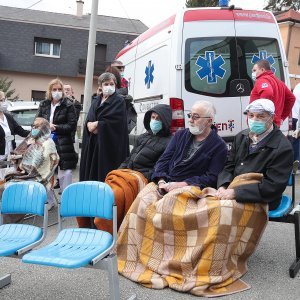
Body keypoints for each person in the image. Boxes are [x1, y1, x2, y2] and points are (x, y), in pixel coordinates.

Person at [92, 104, 172, 233]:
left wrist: (137, 174)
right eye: (153, 117)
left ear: (165, 121)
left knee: (116, 195)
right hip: (127, 174)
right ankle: (98, 229)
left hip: (141, 178)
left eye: (158, 119)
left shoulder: (169, 142)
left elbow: (159, 169)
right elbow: (129, 159)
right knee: (102, 190)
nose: (154, 121)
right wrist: (118, 172)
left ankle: (109, 230)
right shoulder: (144, 137)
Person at [216, 98, 293, 211]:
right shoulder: (241, 137)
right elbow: (229, 166)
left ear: (271, 118)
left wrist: (236, 193)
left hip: (262, 198)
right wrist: (222, 186)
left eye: (260, 116)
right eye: (251, 115)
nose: (254, 119)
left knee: (221, 212)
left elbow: (273, 186)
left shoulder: (282, 147)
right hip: (233, 190)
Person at [153, 100, 228, 192]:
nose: (190, 120)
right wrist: (161, 181)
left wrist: (183, 184)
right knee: (144, 199)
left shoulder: (219, 146)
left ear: (209, 121)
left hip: (191, 187)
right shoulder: (180, 135)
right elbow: (163, 160)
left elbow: (212, 177)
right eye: (190, 115)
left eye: (196, 117)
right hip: (166, 182)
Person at [1, 117, 59, 223]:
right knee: (3, 189)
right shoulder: (34, 139)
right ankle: (7, 217)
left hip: (37, 180)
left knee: (10, 191)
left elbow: (36, 168)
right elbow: (24, 155)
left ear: (45, 128)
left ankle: (10, 224)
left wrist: (21, 163)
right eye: (33, 126)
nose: (33, 128)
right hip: (27, 175)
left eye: (37, 126)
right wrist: (20, 158)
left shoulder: (47, 144)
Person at [79, 72, 129, 182]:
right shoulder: (96, 100)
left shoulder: (119, 101)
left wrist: (98, 124)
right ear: (100, 86)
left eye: (111, 84)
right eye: (106, 84)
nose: (109, 86)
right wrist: (88, 124)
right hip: (94, 144)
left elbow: (116, 122)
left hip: (108, 147)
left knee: (104, 175)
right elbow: (90, 116)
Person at [36, 78, 78, 200]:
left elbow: (72, 125)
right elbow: (36, 121)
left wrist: (56, 127)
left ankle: (66, 200)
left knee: (66, 173)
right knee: (44, 174)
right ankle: (50, 201)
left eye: (60, 89)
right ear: (50, 91)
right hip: (45, 142)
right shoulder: (44, 104)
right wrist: (44, 125)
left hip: (63, 143)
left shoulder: (68, 105)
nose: (57, 92)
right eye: (54, 89)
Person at [250, 59, 295, 127]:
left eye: (254, 70)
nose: (253, 73)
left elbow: (267, 92)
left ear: (262, 70)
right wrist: (282, 117)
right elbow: (291, 98)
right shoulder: (279, 82)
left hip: (261, 124)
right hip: (275, 124)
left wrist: (261, 116)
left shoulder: (261, 79)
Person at [0, 90, 29, 164]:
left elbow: (21, 131)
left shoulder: (8, 117)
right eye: (1, 100)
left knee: (10, 175)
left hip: (10, 157)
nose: (3, 102)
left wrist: (35, 133)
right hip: (1, 158)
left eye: (4, 99)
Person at [290, 83, 300, 162]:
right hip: (297, 117)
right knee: (296, 139)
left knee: (295, 139)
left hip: (294, 116)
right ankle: (296, 160)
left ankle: (295, 160)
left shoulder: (297, 86)